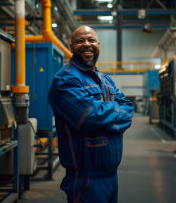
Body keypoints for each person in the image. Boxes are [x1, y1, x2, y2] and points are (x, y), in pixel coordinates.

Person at [48, 26, 134, 203]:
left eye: (91, 40)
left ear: (98, 45)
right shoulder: (66, 79)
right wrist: (114, 113)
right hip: (86, 180)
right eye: (80, 41)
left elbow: (128, 108)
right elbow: (86, 117)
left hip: (111, 177)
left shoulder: (106, 80)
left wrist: (106, 117)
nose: (86, 44)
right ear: (71, 48)